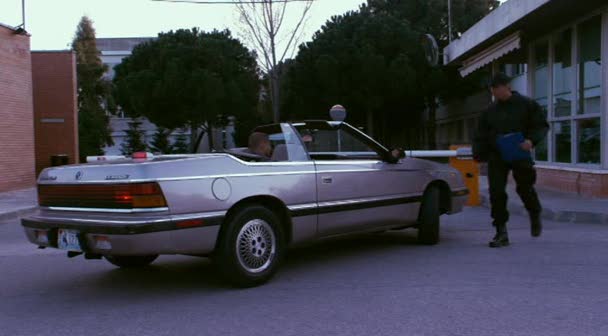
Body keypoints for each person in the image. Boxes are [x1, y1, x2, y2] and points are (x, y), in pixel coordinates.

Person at [473, 73, 549, 248]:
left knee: (524, 188)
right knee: (496, 192)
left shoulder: (527, 105)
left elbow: (541, 125)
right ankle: (501, 232)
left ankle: (534, 212)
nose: (495, 93)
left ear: (507, 86)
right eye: (492, 90)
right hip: (496, 155)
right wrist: (479, 156)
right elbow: (479, 135)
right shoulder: (489, 111)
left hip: (519, 151)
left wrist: (531, 141)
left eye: (497, 89)